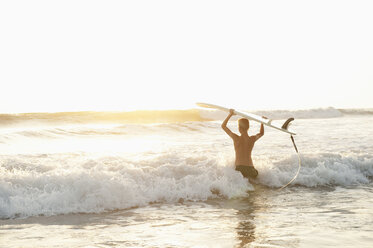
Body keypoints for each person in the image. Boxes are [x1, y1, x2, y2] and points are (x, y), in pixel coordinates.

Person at [221, 109, 264, 179]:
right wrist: (262, 122)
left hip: (240, 169)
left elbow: (223, 126)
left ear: (239, 128)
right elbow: (261, 133)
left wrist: (230, 114)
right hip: (251, 169)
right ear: (248, 128)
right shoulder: (252, 139)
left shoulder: (236, 138)